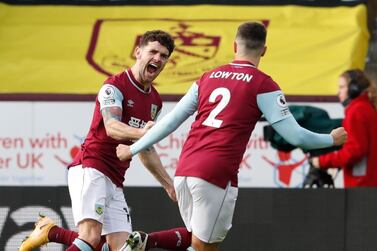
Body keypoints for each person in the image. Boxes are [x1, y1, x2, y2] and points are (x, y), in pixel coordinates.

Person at [116, 22, 347, 251]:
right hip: (216, 173)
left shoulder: (207, 77)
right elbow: (296, 136)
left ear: (234, 46)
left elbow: (169, 122)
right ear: (264, 51)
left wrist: (131, 149)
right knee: (204, 246)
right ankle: (148, 242)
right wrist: (331, 140)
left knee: (196, 239)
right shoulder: (263, 84)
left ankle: (148, 242)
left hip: (185, 170)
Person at [19, 30, 177, 251]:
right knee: (90, 237)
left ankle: (51, 231)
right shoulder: (114, 86)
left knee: (123, 248)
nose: (158, 59)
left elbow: (145, 148)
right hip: (91, 167)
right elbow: (112, 127)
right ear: (138, 52)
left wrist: (169, 185)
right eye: (153, 52)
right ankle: (51, 231)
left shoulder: (155, 101)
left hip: (116, 179)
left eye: (164, 56)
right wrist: (144, 133)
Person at [310, 69, 377, 187]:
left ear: (353, 89)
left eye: (341, 87)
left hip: (361, 185)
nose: (338, 92)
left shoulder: (356, 111)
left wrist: (321, 161)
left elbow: (354, 151)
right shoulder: (366, 107)